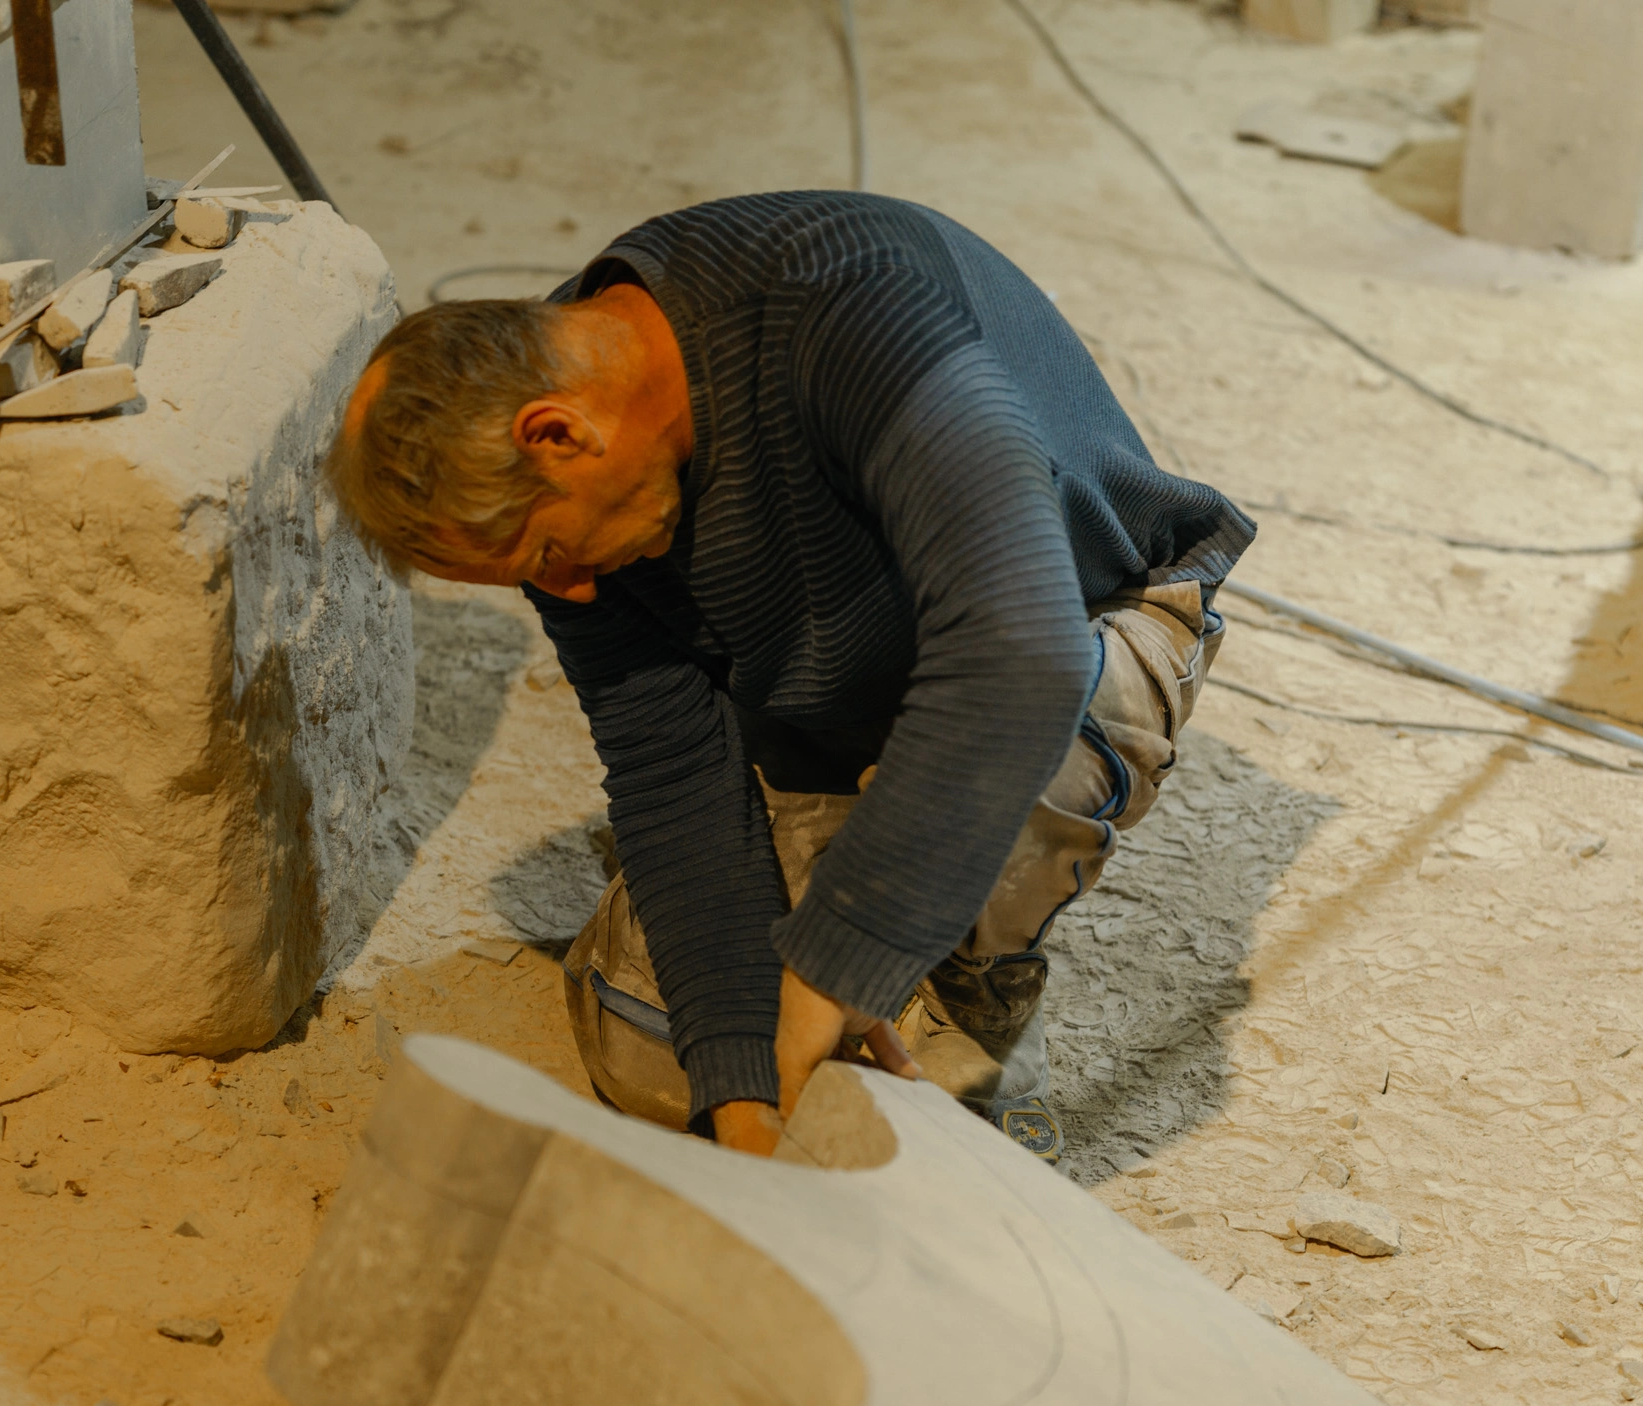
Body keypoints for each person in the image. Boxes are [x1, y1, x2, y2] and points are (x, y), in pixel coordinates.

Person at [331, 191, 1251, 1159]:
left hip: (1070, 622)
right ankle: (863, 898)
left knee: (1020, 773)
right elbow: (670, 766)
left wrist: (835, 961)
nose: (567, 591)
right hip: (830, 690)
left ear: (556, 433)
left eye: (546, 555)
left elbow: (1020, 651)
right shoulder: (576, 469)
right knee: (660, 1060)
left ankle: (977, 981)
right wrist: (742, 1089)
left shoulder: (849, 309)